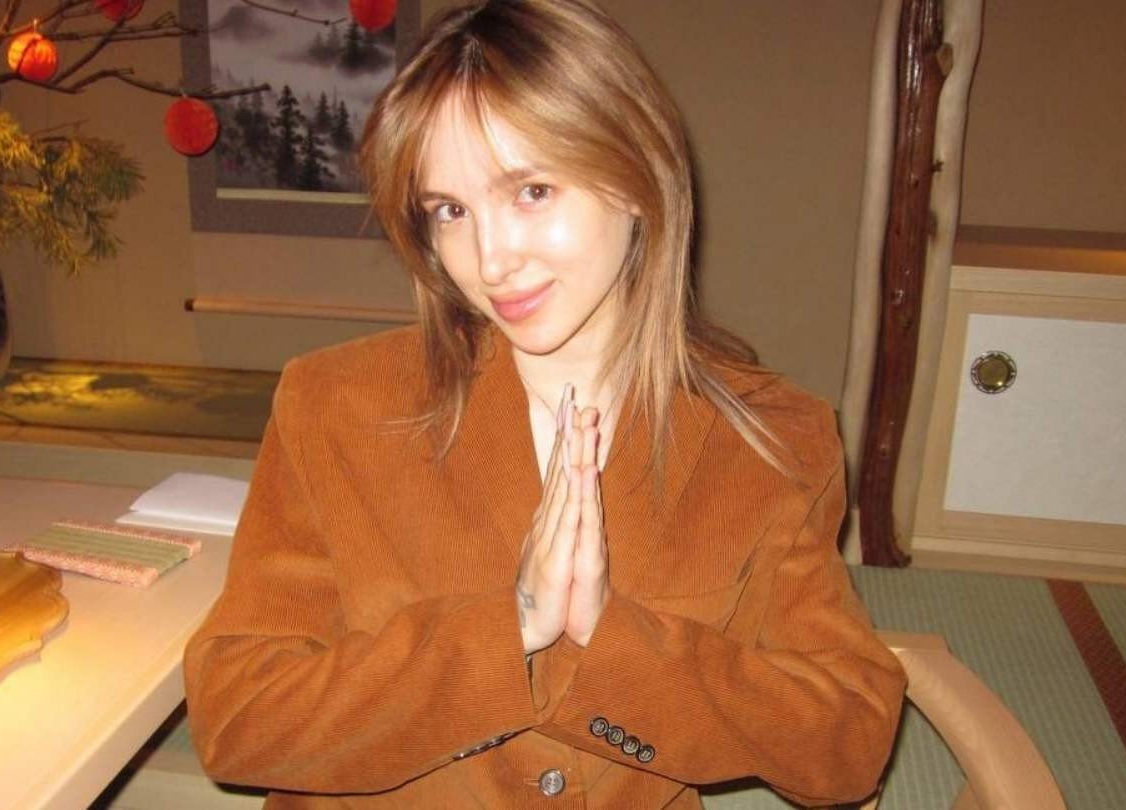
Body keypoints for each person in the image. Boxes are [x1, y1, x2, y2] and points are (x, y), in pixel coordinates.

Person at [182, 0, 906, 806]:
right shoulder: (336, 407)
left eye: (530, 191)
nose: (490, 260)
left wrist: (614, 641)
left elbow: (846, 746)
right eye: (450, 210)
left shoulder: (771, 439)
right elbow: (238, 717)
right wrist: (507, 629)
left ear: (636, 178)